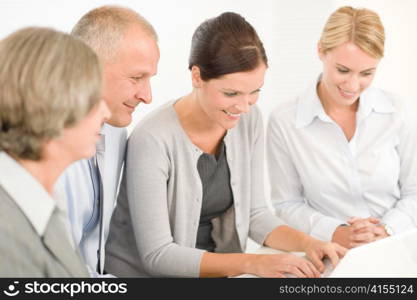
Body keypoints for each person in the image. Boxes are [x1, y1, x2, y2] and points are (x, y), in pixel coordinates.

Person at [105, 12, 346, 278]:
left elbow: (255, 215)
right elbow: (158, 255)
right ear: (197, 77)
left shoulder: (248, 120)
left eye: (255, 92)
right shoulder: (152, 139)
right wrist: (250, 263)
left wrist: (309, 243)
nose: (243, 106)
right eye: (230, 93)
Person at [266, 6, 417, 249]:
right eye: (343, 70)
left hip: (397, 245)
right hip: (330, 251)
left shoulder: (397, 111)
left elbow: (415, 192)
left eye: (367, 73)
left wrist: (385, 229)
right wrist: (337, 232)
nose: (353, 85)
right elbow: (287, 205)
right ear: (321, 51)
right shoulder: (285, 121)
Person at [56, 5, 160, 276]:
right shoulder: (42, 143)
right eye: (136, 78)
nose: (147, 96)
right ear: (86, 66)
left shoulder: (115, 132)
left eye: (149, 79)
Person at [0, 27, 110, 277]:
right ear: (54, 104)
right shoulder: (5, 235)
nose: (106, 112)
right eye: (94, 98)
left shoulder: (40, 199)